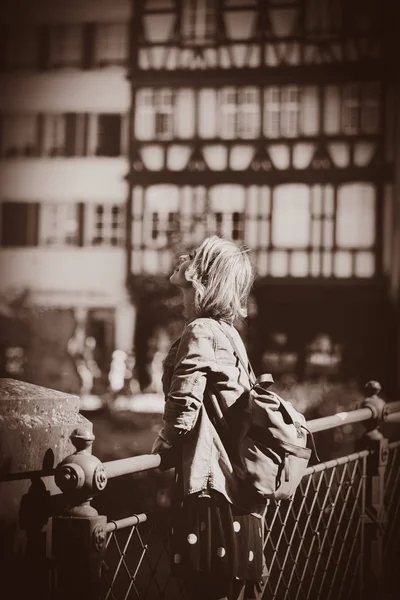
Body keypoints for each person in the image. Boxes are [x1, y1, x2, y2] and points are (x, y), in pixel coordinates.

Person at [152, 236, 265, 600]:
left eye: (187, 290)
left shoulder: (200, 330)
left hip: (210, 490)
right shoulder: (230, 334)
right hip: (237, 492)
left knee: (203, 587)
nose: (182, 299)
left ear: (203, 289)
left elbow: (184, 401)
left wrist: (166, 439)